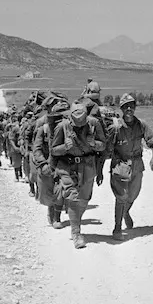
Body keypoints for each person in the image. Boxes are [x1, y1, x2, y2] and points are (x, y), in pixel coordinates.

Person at [51, 102, 106, 249]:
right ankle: (76, 234)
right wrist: (64, 147)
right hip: (68, 167)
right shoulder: (62, 126)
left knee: (84, 198)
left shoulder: (94, 124)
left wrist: (94, 143)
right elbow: (54, 150)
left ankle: (75, 220)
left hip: (88, 166)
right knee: (73, 197)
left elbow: (104, 146)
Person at [104, 93, 153, 241]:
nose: (129, 109)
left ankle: (125, 212)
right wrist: (100, 170)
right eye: (126, 106)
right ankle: (117, 228)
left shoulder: (142, 125)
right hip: (120, 164)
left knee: (133, 194)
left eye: (131, 106)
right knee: (121, 196)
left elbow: (152, 143)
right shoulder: (116, 127)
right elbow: (107, 150)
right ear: (121, 109)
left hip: (137, 164)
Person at [32, 96, 70, 227]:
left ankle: (57, 218)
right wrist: (42, 164)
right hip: (47, 166)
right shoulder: (43, 129)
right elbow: (36, 149)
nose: (59, 120)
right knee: (48, 193)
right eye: (57, 117)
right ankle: (51, 211)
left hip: (63, 165)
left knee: (61, 190)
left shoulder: (68, 130)